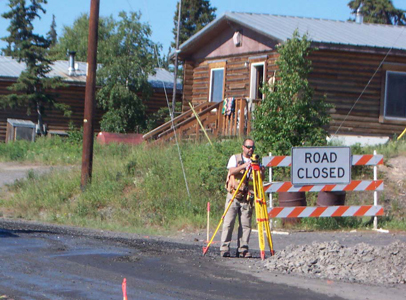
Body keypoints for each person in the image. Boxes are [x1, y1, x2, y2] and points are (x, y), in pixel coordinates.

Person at [220, 138, 256, 258]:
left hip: (247, 197)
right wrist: (244, 166)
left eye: (252, 147)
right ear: (243, 147)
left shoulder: (255, 160)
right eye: (248, 147)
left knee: (246, 225)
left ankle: (243, 249)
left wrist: (257, 168)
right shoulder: (235, 158)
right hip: (234, 195)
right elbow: (231, 171)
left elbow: (259, 177)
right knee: (228, 223)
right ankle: (224, 248)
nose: (250, 150)